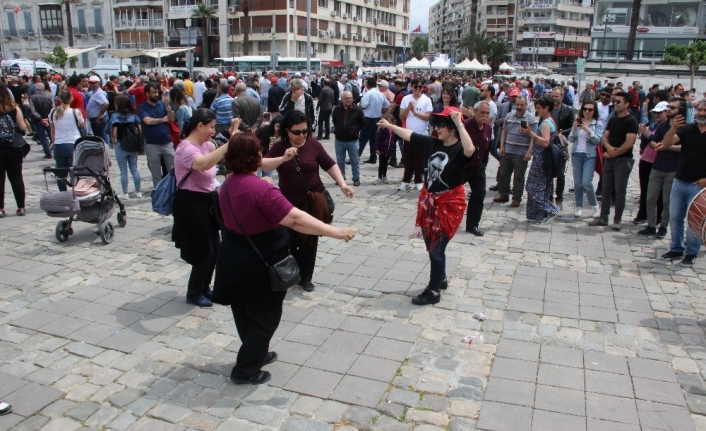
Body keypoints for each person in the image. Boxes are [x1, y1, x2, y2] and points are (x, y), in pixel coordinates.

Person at [212, 132, 354, 385]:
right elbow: (296, 219)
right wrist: (335, 231)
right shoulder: (261, 189)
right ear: (254, 156)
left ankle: (256, 351)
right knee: (266, 318)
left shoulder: (227, 185)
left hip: (233, 257)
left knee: (244, 311)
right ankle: (245, 369)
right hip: (259, 263)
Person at [377, 106, 475, 305]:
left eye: (441, 126)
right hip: (429, 203)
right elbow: (410, 134)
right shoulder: (433, 143)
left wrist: (459, 123)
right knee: (432, 246)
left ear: (452, 128)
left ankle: (433, 290)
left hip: (450, 204)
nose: (436, 129)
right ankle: (441, 278)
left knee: (437, 249)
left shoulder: (458, 148)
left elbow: (470, 149)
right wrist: (390, 126)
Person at [262, 111, 355, 292]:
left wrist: (342, 184)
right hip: (288, 202)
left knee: (310, 240)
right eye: (296, 132)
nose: (301, 135)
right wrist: (283, 158)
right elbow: (264, 164)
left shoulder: (314, 145)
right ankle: (289, 274)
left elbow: (330, 164)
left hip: (312, 200)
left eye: (305, 131)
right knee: (287, 239)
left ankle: (306, 277)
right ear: (287, 131)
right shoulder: (280, 147)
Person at [173, 110, 236, 308]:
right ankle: (194, 292)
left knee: (215, 247)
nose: (213, 130)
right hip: (191, 204)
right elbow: (204, 163)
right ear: (200, 126)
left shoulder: (204, 145)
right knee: (203, 251)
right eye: (211, 126)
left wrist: (232, 132)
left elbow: (215, 146)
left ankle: (204, 287)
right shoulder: (186, 149)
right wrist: (229, 144)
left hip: (206, 202)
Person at [655, 99, 705, 268]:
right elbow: (667, 144)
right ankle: (676, 248)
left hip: (699, 186)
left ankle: (691, 252)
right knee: (675, 217)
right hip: (680, 180)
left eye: (705, 110)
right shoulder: (687, 129)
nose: (702, 113)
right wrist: (674, 127)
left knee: (693, 222)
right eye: (699, 110)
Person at [588, 91, 639, 231]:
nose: (615, 104)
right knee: (606, 189)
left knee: (620, 190)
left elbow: (629, 143)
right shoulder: (614, 119)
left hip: (623, 160)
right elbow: (605, 137)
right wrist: (609, 147)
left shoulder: (631, 121)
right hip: (610, 159)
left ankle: (617, 219)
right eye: (614, 101)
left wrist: (613, 153)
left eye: (618, 102)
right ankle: (603, 217)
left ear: (627, 104)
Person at [637, 100, 679, 239]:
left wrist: (664, 145)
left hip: (672, 168)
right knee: (650, 197)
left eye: (659, 112)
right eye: (655, 113)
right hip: (657, 166)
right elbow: (653, 142)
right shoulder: (662, 126)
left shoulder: (682, 128)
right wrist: (653, 140)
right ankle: (650, 225)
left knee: (666, 201)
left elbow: (680, 147)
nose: (657, 115)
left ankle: (663, 227)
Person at [522, 97, 560, 223]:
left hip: (542, 158)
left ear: (546, 108)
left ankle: (551, 209)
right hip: (545, 158)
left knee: (532, 187)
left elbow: (545, 142)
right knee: (543, 187)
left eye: (538, 108)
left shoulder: (545, 123)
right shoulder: (550, 121)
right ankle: (536, 215)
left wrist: (530, 134)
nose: (537, 110)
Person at [494, 95, 537, 207]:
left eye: (521, 105)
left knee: (518, 176)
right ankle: (503, 194)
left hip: (521, 152)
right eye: (517, 104)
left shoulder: (531, 119)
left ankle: (516, 198)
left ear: (526, 105)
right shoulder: (509, 116)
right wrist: (502, 146)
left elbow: (534, 137)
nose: (519, 107)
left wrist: (529, 152)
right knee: (504, 174)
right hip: (508, 150)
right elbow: (504, 131)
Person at [568, 100, 603, 218]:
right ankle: (578, 206)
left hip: (590, 155)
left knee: (586, 182)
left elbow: (597, 140)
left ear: (594, 111)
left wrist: (587, 130)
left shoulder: (597, 124)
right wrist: (574, 128)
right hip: (577, 154)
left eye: (590, 109)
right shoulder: (578, 122)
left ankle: (595, 206)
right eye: (585, 109)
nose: (587, 111)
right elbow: (571, 139)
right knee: (577, 183)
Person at [463, 101, 492, 236]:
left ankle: (472, 224)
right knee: (449, 193)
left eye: (487, 113)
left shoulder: (488, 128)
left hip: (478, 168)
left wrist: (483, 164)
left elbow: (487, 148)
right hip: (462, 167)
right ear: (475, 112)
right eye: (482, 112)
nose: (485, 116)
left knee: (479, 195)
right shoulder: (466, 126)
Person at [399, 78, 432, 191]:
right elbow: (401, 116)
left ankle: (418, 180)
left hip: (422, 133)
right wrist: (408, 108)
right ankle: (406, 180)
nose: (418, 89)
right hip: (408, 133)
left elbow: (427, 116)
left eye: (420, 87)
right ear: (411, 87)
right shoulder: (405, 99)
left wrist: (415, 112)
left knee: (420, 160)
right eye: (415, 87)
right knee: (408, 159)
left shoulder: (427, 100)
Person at [139, 83, 175, 186]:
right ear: (147, 94)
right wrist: (162, 120)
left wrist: (168, 106)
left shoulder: (162, 105)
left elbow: (171, 118)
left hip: (166, 142)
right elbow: (147, 121)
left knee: (173, 171)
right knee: (156, 174)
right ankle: (159, 194)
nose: (156, 95)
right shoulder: (143, 107)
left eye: (157, 92)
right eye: (153, 92)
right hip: (152, 144)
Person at [49, 89, 85, 192]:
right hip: (73, 143)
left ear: (59, 99)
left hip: (59, 145)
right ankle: (75, 192)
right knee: (75, 172)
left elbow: (52, 130)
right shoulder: (75, 112)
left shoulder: (52, 112)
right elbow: (82, 125)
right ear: (71, 98)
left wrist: (53, 142)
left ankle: (63, 193)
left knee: (61, 173)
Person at [0, 81, 27, 218]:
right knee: (16, 177)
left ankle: (1, 208)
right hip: (14, 146)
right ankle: (20, 207)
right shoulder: (14, 108)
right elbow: (22, 127)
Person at [111, 95, 143, 200]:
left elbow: (114, 132)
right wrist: (139, 140)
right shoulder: (133, 116)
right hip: (133, 145)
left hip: (121, 144)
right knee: (134, 169)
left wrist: (113, 142)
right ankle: (138, 191)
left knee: (123, 170)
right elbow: (140, 129)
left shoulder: (116, 116)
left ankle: (125, 193)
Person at [331, 91, 365, 186]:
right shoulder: (337, 109)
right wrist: (338, 129)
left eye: (350, 98)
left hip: (353, 139)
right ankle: (341, 178)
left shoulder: (357, 109)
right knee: (340, 160)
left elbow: (362, 123)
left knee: (354, 160)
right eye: (346, 98)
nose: (349, 100)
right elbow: (334, 120)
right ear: (342, 99)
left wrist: (354, 130)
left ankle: (356, 178)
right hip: (339, 139)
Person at [358, 77, 390, 165]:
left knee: (363, 138)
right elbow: (387, 104)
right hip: (377, 117)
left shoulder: (369, 93)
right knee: (373, 138)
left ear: (368, 84)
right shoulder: (380, 94)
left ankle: (356, 155)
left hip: (368, 118)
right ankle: (373, 156)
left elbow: (364, 105)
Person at [28, 82, 54, 160]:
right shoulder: (49, 97)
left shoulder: (32, 98)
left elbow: (33, 110)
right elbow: (53, 108)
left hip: (38, 120)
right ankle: (52, 150)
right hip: (48, 119)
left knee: (43, 137)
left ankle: (48, 153)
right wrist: (48, 118)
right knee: (51, 135)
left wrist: (40, 118)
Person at [373, 113, 398, 185]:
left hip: (389, 150)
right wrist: (376, 148)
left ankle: (384, 176)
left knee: (385, 164)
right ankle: (379, 177)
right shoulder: (382, 129)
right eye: (387, 122)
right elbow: (378, 139)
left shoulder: (394, 130)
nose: (389, 124)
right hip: (382, 149)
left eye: (390, 122)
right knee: (381, 164)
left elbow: (395, 140)